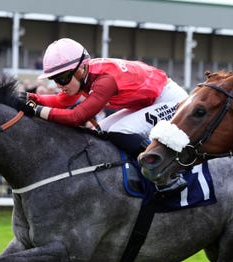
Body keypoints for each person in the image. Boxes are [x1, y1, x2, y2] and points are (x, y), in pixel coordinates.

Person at [19, 38, 188, 192]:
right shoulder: (83, 76)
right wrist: (29, 97)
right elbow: (61, 101)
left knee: (122, 130)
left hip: (169, 99)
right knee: (98, 131)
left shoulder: (104, 80)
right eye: (53, 79)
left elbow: (77, 117)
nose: (58, 84)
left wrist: (36, 109)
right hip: (148, 101)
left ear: (81, 68)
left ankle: (167, 176)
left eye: (62, 77)